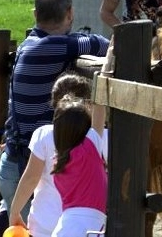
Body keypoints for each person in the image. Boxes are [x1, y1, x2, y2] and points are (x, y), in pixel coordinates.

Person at [0, 0, 109, 231]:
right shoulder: (60, 46)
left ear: (35, 15)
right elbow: (103, 44)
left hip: (13, 161)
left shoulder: (28, 44)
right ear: (70, 13)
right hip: (36, 164)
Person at [10, 72, 99, 237]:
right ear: (88, 105)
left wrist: (14, 211)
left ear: (54, 102)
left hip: (44, 222)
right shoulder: (95, 139)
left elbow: (30, 178)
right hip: (84, 225)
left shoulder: (43, 134)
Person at [50, 95, 107, 237]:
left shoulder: (58, 163)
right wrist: (104, 73)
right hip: (89, 228)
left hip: (64, 227)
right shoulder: (88, 149)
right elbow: (100, 108)